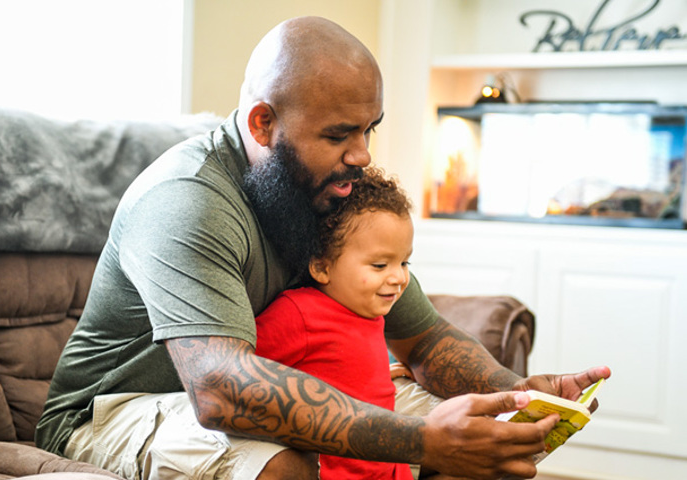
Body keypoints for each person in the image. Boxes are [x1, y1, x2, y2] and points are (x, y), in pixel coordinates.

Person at [35, 15, 610, 480]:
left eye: (369, 130)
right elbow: (218, 389)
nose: (361, 154)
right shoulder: (188, 199)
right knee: (283, 466)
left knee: (489, 442)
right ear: (263, 124)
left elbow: (424, 338)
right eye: (339, 134)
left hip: (262, 384)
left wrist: (518, 395)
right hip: (113, 411)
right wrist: (424, 441)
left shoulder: (330, 185)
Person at [254, 166, 418, 479]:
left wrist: (388, 373)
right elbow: (243, 375)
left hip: (386, 466)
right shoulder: (298, 313)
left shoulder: (370, 311)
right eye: (380, 264)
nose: (398, 277)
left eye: (404, 262)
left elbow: (345, 367)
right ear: (321, 265)